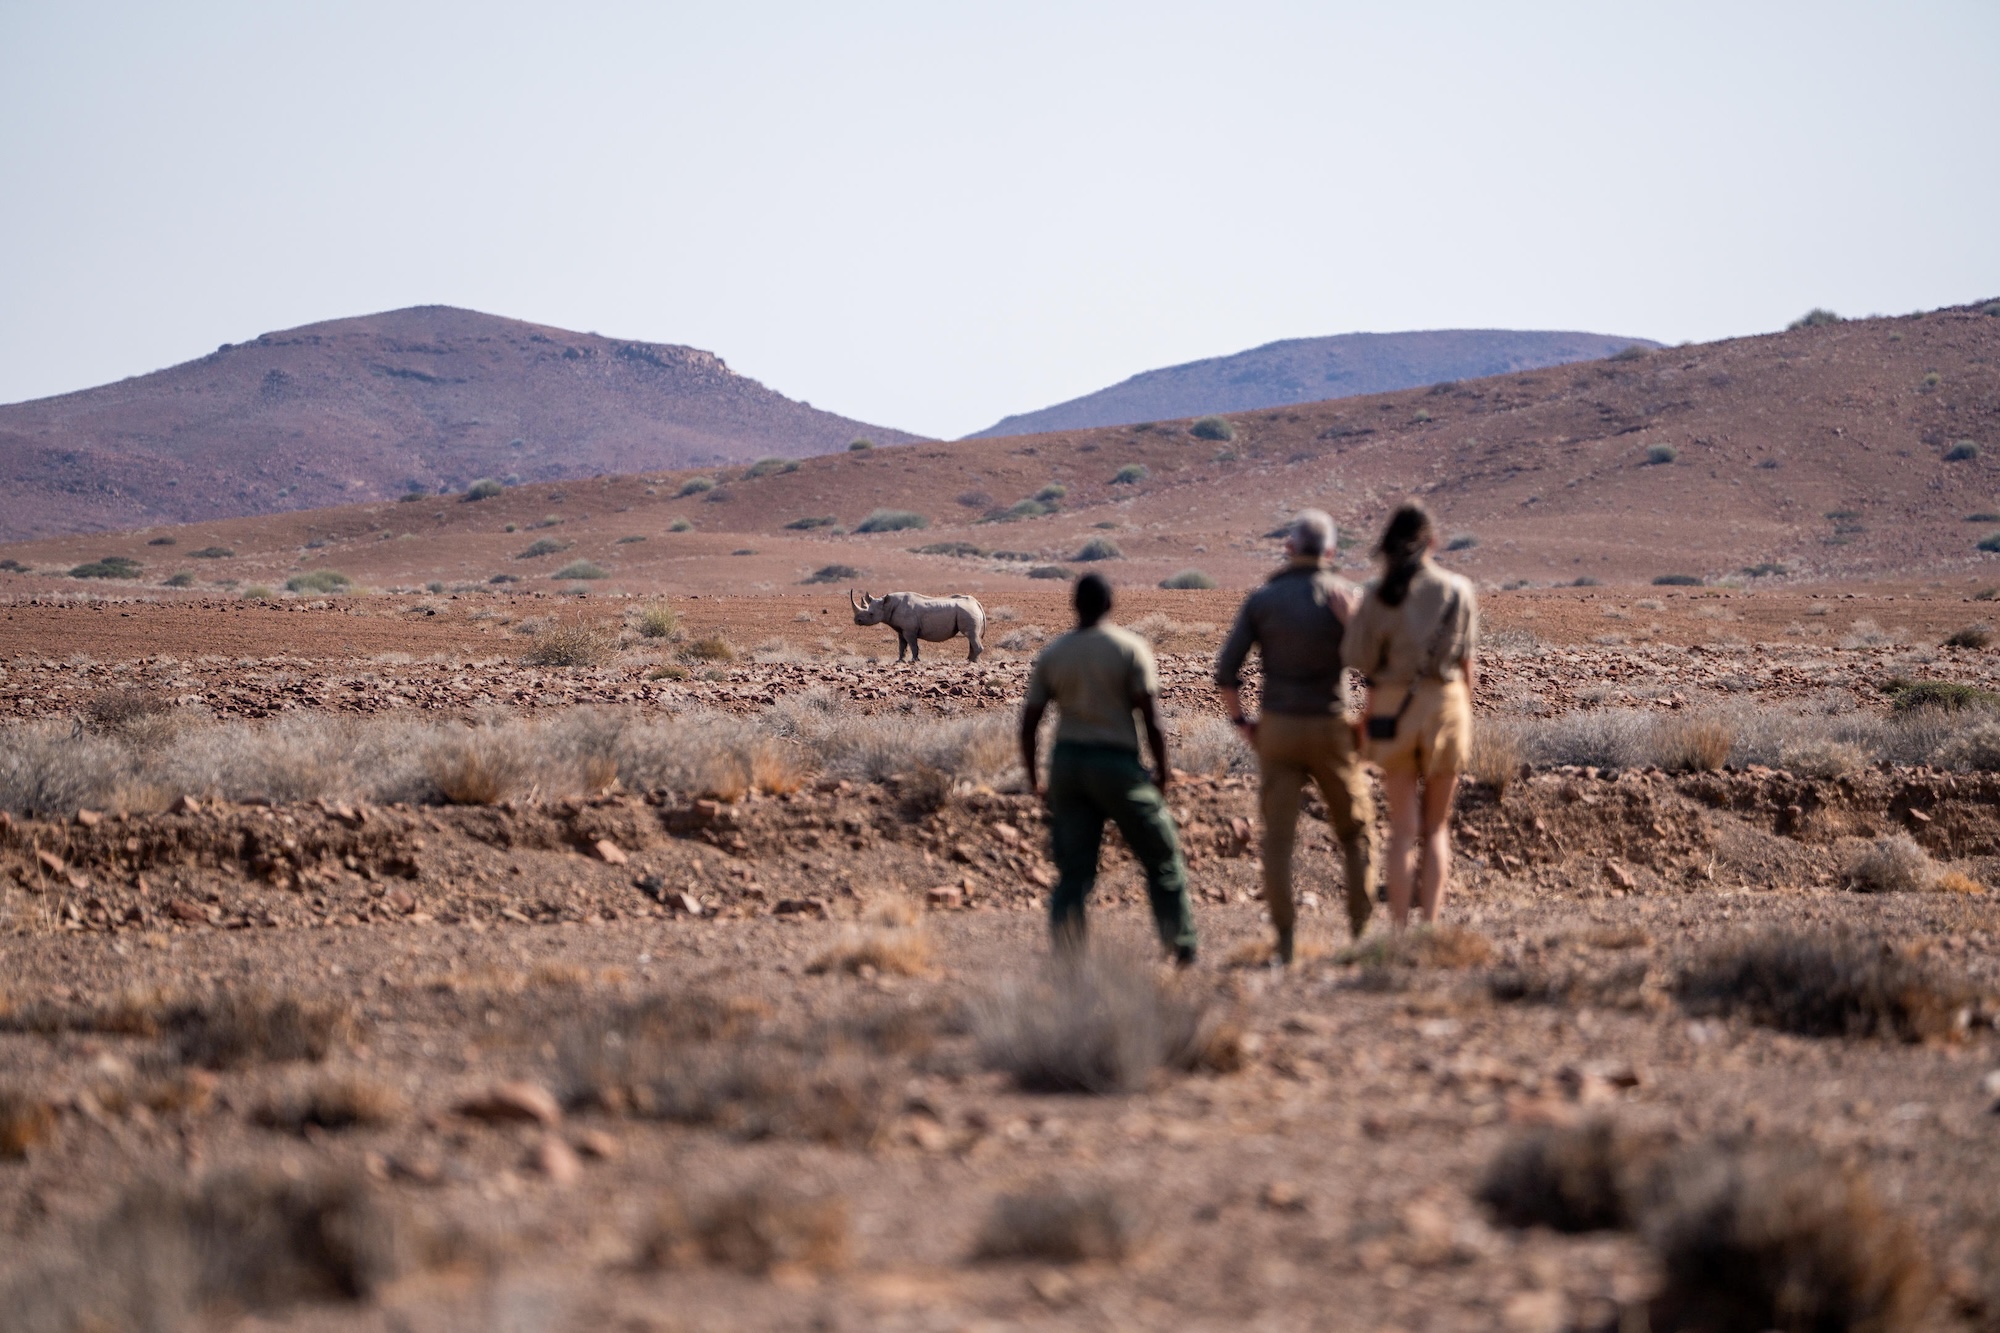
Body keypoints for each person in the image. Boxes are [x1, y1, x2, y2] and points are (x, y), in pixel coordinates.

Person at [1214, 509, 1375, 963]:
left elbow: (1227, 671)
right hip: (1331, 726)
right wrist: (1364, 721)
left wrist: (1242, 723)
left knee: (1278, 839)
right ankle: (1361, 937)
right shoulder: (1346, 596)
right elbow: (1377, 668)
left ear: (1289, 547)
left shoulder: (1263, 599)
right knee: (1355, 830)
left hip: (1278, 729)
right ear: (1331, 552)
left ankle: (1285, 945)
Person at [1019, 572, 1197, 964]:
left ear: (1074, 605)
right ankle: (1181, 947)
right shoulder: (1129, 648)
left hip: (1067, 764)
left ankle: (1068, 960)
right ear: (1110, 604)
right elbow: (1152, 719)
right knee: (1161, 854)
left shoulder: (1054, 654)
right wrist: (1164, 772)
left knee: (1074, 871)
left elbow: (1029, 723)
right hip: (1115, 762)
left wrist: (1036, 779)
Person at [1343, 503, 1479, 929]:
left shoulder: (1378, 595)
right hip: (1446, 706)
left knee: (1402, 829)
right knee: (1436, 829)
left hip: (1392, 708)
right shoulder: (1459, 590)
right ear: (1433, 541)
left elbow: (1360, 660)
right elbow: (1467, 668)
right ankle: (1431, 928)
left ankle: (1400, 931)